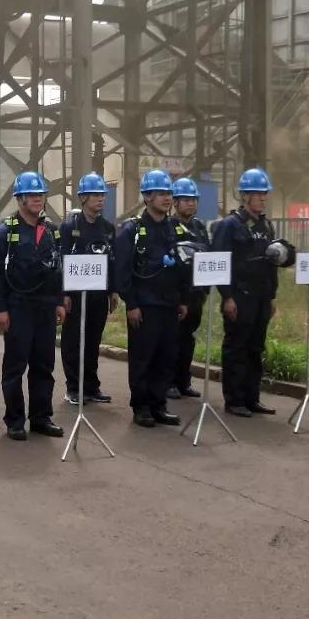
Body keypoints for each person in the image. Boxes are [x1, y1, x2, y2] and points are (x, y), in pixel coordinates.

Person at [0, 171, 66, 441]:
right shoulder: (4, 233)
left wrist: (59, 301)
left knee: (44, 365)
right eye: (31, 195)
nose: (37, 199)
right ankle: (15, 420)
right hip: (17, 308)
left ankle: (41, 418)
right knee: (15, 366)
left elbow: (56, 268)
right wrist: (0, 309)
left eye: (40, 195)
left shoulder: (50, 231)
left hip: (45, 308)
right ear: (19, 199)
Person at [114, 170, 189, 428]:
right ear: (147, 197)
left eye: (169, 193)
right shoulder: (132, 230)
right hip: (144, 306)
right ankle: (142, 407)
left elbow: (182, 266)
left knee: (166, 357)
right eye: (160, 193)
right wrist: (131, 304)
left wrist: (182, 299)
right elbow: (122, 271)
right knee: (142, 359)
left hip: (169, 304)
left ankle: (159, 405)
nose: (167, 198)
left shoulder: (175, 229)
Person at [211, 168, 279, 418]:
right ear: (245, 195)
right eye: (258, 194)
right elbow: (220, 263)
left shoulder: (266, 226)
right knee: (237, 348)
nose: (262, 198)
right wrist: (227, 297)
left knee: (255, 348)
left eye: (264, 193)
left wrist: (271, 297)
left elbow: (271, 265)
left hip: (261, 298)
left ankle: (252, 398)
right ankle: (234, 399)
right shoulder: (229, 225)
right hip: (239, 297)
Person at [59, 172, 118, 406]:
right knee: (73, 342)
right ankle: (73, 388)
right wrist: (64, 294)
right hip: (75, 296)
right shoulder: (70, 227)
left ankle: (91, 387)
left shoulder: (107, 228)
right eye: (95, 195)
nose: (100, 199)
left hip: (98, 295)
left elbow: (112, 261)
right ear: (83, 198)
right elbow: (62, 260)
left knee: (93, 342)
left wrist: (113, 291)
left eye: (102, 195)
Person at [168, 177, 211, 399]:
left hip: (196, 292)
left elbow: (208, 254)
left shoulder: (199, 227)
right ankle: (169, 382)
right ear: (175, 202)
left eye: (194, 199)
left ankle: (184, 381)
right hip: (177, 293)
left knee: (188, 338)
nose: (191, 203)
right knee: (173, 339)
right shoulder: (169, 227)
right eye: (186, 199)